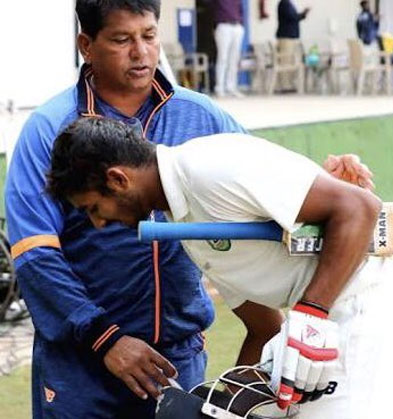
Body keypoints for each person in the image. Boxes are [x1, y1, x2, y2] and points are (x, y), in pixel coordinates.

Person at [47, 116, 393, 419]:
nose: (99, 224)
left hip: (365, 307)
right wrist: (225, 400)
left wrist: (311, 313)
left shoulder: (209, 169)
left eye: (94, 208)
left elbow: (359, 207)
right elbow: (264, 327)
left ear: (118, 179)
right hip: (328, 320)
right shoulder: (186, 218)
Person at [5, 1, 249, 418]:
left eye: (149, 36)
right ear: (87, 44)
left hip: (177, 361)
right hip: (82, 365)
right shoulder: (49, 128)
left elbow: (262, 183)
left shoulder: (201, 116)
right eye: (122, 39)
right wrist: (106, 339)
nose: (141, 52)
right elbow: (34, 253)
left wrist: (330, 177)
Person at [204, 0, 245, 98]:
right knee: (222, 58)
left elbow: (241, 10)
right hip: (223, 25)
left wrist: (241, 23)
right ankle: (219, 88)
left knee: (234, 59)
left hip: (237, 26)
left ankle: (231, 87)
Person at [276, 0, 310, 91]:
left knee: (290, 61)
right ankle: (285, 85)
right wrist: (302, 14)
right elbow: (291, 17)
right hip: (286, 36)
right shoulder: (284, 3)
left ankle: (289, 84)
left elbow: (294, 17)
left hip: (291, 37)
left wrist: (302, 15)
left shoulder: (290, 4)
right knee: (285, 62)